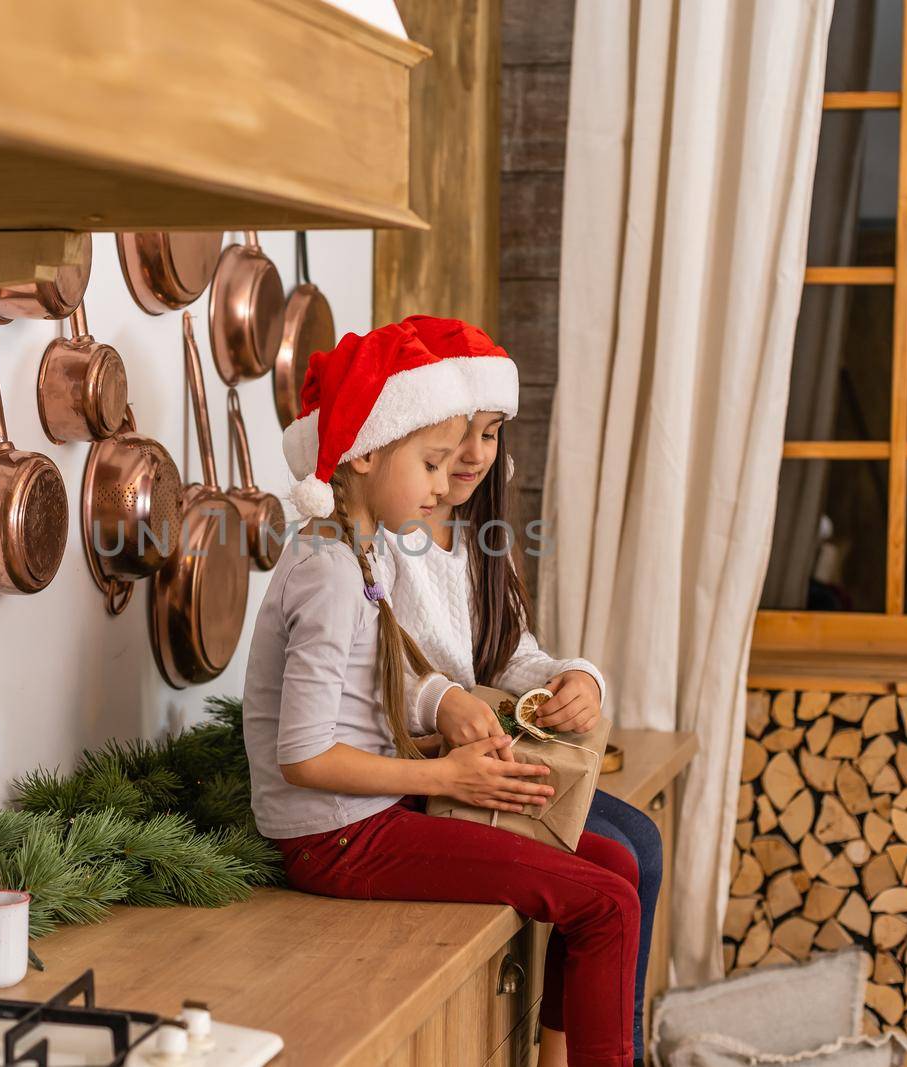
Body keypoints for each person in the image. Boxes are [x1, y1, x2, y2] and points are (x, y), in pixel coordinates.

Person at [243, 320, 640, 1067]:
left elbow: (366, 700)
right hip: (338, 838)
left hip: (368, 815)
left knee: (615, 870)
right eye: (430, 462)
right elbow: (301, 756)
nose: (440, 485)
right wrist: (443, 776)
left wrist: (447, 738)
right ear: (363, 452)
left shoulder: (358, 552)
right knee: (608, 903)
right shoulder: (330, 570)